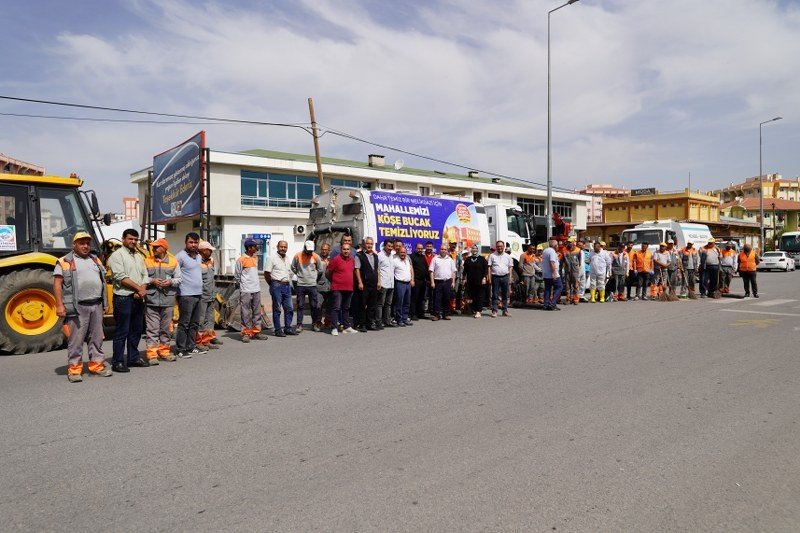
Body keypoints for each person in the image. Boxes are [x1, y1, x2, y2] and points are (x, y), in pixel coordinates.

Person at [54, 232, 112, 382]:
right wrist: (59, 305)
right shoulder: (65, 261)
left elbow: (103, 282)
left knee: (97, 338)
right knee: (76, 339)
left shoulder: (95, 259)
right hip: (77, 306)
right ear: (74, 245)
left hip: (96, 304)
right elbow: (57, 284)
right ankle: (74, 370)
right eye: (81, 243)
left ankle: (97, 366)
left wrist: (105, 303)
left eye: (87, 243)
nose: (85, 246)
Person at [107, 228, 150, 372]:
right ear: (123, 239)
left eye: (135, 239)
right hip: (123, 298)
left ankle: (133, 358)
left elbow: (145, 274)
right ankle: (117, 361)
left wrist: (142, 290)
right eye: (130, 239)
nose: (133, 242)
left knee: (136, 330)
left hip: (138, 298)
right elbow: (120, 277)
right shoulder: (116, 256)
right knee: (122, 331)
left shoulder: (138, 256)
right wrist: (139, 289)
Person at [143, 238, 180, 364]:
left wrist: (170, 281)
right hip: (152, 300)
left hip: (168, 300)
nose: (153, 249)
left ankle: (164, 352)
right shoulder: (147, 261)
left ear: (164, 248)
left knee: (165, 329)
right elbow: (142, 276)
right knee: (152, 329)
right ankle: (152, 355)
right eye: (153, 247)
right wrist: (152, 281)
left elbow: (179, 279)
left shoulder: (173, 262)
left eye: (156, 247)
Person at [174, 232, 206, 357]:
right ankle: (181, 349)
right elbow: (173, 273)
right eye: (190, 242)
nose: (193, 245)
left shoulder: (198, 256)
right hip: (186, 295)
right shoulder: (180, 257)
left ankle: (191, 346)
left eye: (195, 242)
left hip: (198, 294)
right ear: (186, 243)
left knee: (194, 323)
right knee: (184, 323)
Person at [235, 238, 266, 342]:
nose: (256, 248)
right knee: (245, 312)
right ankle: (246, 333)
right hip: (246, 290)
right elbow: (237, 275)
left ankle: (256, 332)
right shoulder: (241, 260)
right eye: (254, 246)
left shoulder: (255, 257)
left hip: (256, 289)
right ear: (249, 248)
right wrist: (243, 286)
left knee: (257, 312)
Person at [265, 240, 296, 337]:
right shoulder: (272, 258)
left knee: (289, 308)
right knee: (277, 309)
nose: (283, 249)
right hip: (277, 285)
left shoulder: (287, 258)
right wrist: (272, 284)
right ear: (277, 247)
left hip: (287, 285)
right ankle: (278, 330)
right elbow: (267, 273)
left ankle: (288, 328)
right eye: (281, 247)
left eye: (285, 247)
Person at [326, 241, 357, 335]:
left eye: (348, 249)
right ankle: (334, 327)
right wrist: (334, 281)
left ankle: (346, 326)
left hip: (349, 288)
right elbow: (328, 273)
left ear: (350, 250)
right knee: (336, 308)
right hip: (337, 288)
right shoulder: (335, 259)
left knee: (346, 308)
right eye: (344, 249)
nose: (346, 251)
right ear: (341, 250)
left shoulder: (352, 260)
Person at [291, 240, 321, 333]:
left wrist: (314, 278)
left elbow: (320, 270)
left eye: (311, 251)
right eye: (308, 250)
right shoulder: (297, 256)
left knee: (313, 305)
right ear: (304, 248)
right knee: (300, 305)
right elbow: (293, 267)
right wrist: (300, 275)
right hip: (301, 285)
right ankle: (299, 324)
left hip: (312, 285)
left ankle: (314, 324)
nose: (310, 252)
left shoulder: (316, 256)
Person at [197, 240, 221, 350]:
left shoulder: (211, 260)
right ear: (202, 251)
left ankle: (208, 339)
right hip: (202, 296)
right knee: (200, 320)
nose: (211, 252)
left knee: (210, 319)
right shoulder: (196, 262)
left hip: (211, 295)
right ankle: (199, 341)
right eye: (209, 250)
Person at [354, 237, 380, 331]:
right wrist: (360, 282)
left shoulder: (375, 256)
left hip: (373, 284)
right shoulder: (359, 255)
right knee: (362, 305)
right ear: (364, 244)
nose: (369, 246)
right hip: (364, 284)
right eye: (368, 244)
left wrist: (379, 281)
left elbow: (377, 269)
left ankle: (370, 323)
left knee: (372, 305)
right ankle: (362, 324)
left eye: (371, 244)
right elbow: (357, 269)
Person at [429, 244, 457, 321]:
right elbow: (431, 271)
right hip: (438, 281)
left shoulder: (450, 259)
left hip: (447, 282)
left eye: (445, 249)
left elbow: (453, 272)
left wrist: (453, 282)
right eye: (442, 249)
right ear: (439, 250)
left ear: (447, 250)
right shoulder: (435, 259)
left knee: (447, 298)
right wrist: (432, 282)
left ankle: (446, 314)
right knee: (437, 298)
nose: (443, 251)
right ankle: (437, 315)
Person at [488, 241, 514, 317]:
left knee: (505, 294)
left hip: (505, 277)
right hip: (495, 277)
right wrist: (489, 277)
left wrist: (510, 277)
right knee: (495, 295)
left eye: (501, 246)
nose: (499, 248)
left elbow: (510, 267)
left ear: (504, 247)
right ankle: (494, 311)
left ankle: (505, 310)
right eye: (498, 246)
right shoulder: (492, 256)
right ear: (496, 247)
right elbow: (489, 267)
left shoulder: (508, 256)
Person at [462, 244, 488, 318]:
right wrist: (463, 279)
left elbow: (485, 269)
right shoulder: (468, 259)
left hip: (480, 281)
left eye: (476, 249)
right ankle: (474, 309)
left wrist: (484, 278)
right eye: (473, 249)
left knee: (480, 295)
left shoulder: (482, 259)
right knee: (473, 296)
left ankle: (478, 311)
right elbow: (465, 270)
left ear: (478, 250)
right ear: (471, 250)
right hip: (471, 281)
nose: (474, 250)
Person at [392, 243, 414, 326]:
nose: (403, 254)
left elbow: (411, 270)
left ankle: (405, 318)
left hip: (408, 283)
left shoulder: (408, 259)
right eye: (401, 252)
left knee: (407, 302)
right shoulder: (395, 260)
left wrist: (412, 279)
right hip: (399, 283)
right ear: (398, 252)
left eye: (404, 252)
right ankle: (399, 319)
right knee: (399, 302)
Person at [376, 239, 396, 328]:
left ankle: (387, 321)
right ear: (384, 246)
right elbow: (377, 269)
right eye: (389, 246)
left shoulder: (392, 255)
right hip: (383, 283)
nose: (390, 248)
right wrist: (379, 281)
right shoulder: (379, 256)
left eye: (392, 246)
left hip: (391, 283)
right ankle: (378, 321)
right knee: (380, 304)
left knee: (388, 304)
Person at [541, 239, 562, 311]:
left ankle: (546, 304)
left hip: (546, 274)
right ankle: (552, 303)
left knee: (547, 289)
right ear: (555, 246)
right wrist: (554, 273)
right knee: (559, 287)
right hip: (552, 273)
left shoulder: (545, 251)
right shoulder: (552, 252)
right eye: (557, 245)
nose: (558, 246)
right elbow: (551, 263)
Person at [316, 242, 332, 331]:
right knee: (318, 306)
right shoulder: (317, 259)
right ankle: (318, 322)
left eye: (326, 249)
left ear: (329, 250)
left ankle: (328, 322)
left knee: (329, 306)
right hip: (319, 286)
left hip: (330, 286)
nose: (324, 251)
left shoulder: (332, 260)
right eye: (322, 249)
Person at [410, 243, 429, 320]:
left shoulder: (423, 257)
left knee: (421, 298)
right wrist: (412, 279)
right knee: (414, 298)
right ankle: (413, 314)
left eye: (421, 249)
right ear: (415, 248)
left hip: (423, 281)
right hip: (416, 280)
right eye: (418, 248)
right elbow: (411, 269)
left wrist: (428, 279)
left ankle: (420, 313)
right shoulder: (412, 257)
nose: (420, 250)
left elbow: (426, 268)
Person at [562, 240, 582, 305]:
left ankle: (575, 299)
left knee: (575, 284)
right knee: (567, 285)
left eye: (570, 242)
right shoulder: (564, 249)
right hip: (567, 269)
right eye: (568, 242)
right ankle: (568, 299)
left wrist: (577, 266)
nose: (569, 243)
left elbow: (579, 260)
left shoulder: (578, 250)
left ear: (573, 242)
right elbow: (563, 260)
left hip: (575, 270)